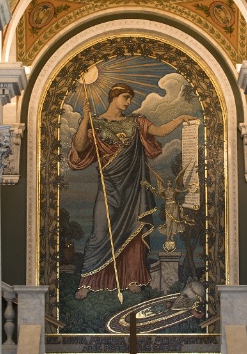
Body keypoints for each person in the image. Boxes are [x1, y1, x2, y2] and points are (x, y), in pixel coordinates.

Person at [68, 82, 195, 299]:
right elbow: (79, 147)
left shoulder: (136, 123)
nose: (128, 102)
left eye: (130, 98)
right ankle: (88, 281)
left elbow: (160, 131)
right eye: (125, 97)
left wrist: (181, 118)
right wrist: (86, 119)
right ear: (113, 97)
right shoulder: (96, 123)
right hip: (109, 188)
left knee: (134, 234)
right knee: (100, 233)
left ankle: (132, 278)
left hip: (132, 190)